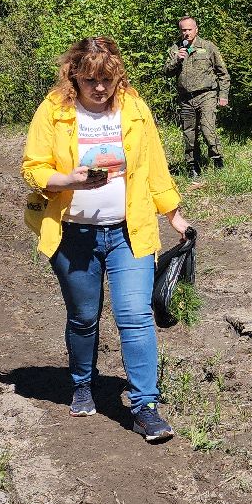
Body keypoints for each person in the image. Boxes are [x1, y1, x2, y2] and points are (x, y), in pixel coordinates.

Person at [22, 37, 190, 443]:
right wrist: (70, 179)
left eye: (107, 79)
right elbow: (34, 167)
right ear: (74, 75)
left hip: (128, 233)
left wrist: (173, 214)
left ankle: (145, 405)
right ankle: (82, 382)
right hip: (72, 234)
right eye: (91, 79)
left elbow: (153, 165)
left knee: (135, 316)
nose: (100, 88)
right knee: (83, 317)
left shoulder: (133, 108)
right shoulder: (54, 110)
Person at [163, 17, 229, 178]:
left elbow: (223, 73)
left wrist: (223, 95)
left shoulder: (208, 47)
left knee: (208, 130)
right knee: (189, 134)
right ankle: (193, 166)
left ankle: (217, 160)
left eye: (189, 29)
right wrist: (176, 60)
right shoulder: (175, 49)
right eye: (183, 30)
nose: (186, 33)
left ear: (196, 30)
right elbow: (166, 72)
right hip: (186, 98)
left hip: (206, 95)